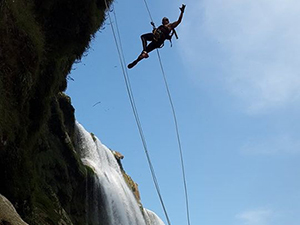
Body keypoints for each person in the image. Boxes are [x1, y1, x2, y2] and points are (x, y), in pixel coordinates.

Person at [127, 4, 186, 69]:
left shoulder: (170, 26)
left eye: (165, 20)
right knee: (143, 39)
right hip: (155, 39)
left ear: (167, 21)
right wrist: (155, 29)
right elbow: (157, 32)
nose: (163, 21)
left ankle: (144, 52)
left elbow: (179, 21)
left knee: (144, 37)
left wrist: (182, 12)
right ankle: (138, 59)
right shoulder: (161, 27)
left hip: (159, 39)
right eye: (163, 20)